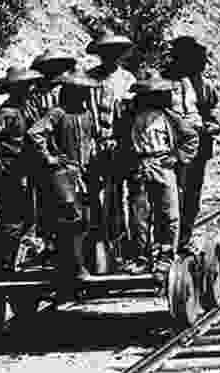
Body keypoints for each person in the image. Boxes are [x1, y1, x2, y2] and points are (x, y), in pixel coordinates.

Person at [26, 68, 103, 296]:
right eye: (79, 92)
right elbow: (35, 133)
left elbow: (93, 139)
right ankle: (75, 269)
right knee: (73, 220)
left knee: (89, 219)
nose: (83, 96)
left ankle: (84, 266)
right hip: (64, 174)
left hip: (84, 173)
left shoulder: (88, 114)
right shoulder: (57, 113)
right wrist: (49, 157)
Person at [118, 70, 199, 275]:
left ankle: (166, 255)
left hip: (162, 165)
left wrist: (177, 157)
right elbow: (121, 141)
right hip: (139, 166)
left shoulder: (171, 117)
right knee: (139, 216)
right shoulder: (130, 118)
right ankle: (141, 258)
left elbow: (191, 138)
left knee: (169, 214)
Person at [0, 67, 44, 272]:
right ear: (17, 89)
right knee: (14, 220)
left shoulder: (24, 109)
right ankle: (0, 262)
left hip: (23, 171)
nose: (31, 89)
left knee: (26, 220)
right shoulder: (7, 113)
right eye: (26, 86)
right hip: (11, 174)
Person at [162, 36, 220, 252]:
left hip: (199, 146)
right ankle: (170, 240)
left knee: (192, 194)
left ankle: (184, 236)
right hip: (174, 146)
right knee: (173, 194)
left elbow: (210, 113)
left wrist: (211, 126)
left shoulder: (203, 85)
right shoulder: (164, 83)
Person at [85, 29, 137, 259]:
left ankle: (119, 242)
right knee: (92, 196)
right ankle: (96, 243)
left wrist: (120, 139)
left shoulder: (127, 80)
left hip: (119, 146)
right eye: (105, 53)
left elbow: (131, 114)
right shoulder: (89, 79)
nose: (110, 57)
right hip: (93, 145)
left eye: (114, 53)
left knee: (116, 194)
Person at [24, 50, 78, 259]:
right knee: (45, 202)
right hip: (42, 154)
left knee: (68, 202)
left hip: (62, 153)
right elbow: (34, 126)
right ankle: (49, 245)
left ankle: (67, 247)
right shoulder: (35, 96)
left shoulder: (65, 92)